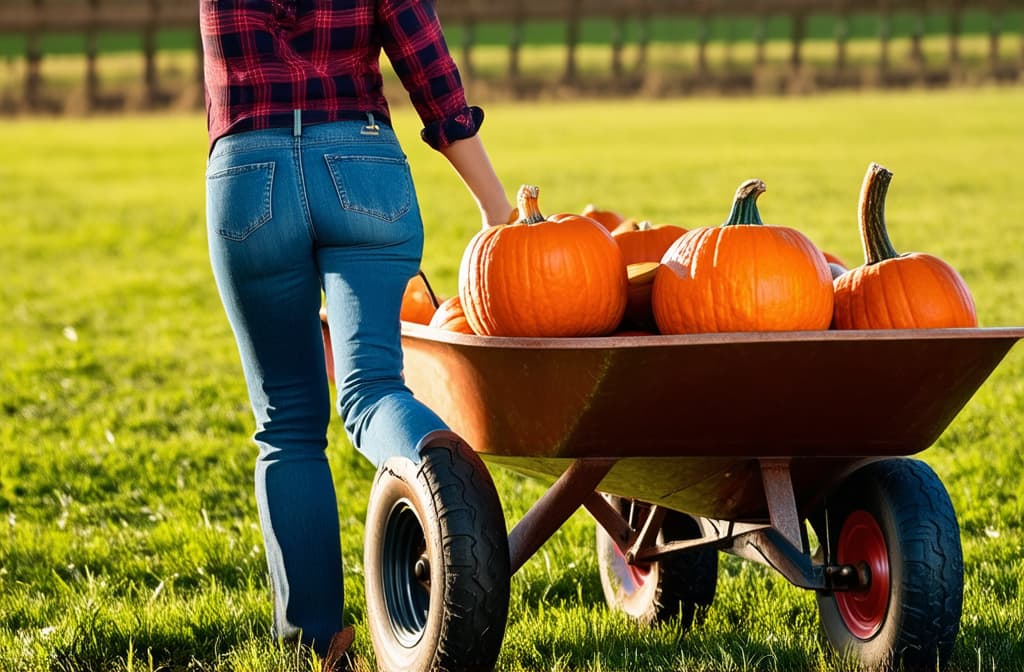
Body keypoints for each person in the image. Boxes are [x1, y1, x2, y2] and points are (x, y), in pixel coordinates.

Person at [199, 0, 512, 667]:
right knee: (371, 390)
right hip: (362, 165)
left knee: (286, 423)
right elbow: (432, 75)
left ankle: (317, 648)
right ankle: (445, 478)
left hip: (248, 174)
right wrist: (495, 206)